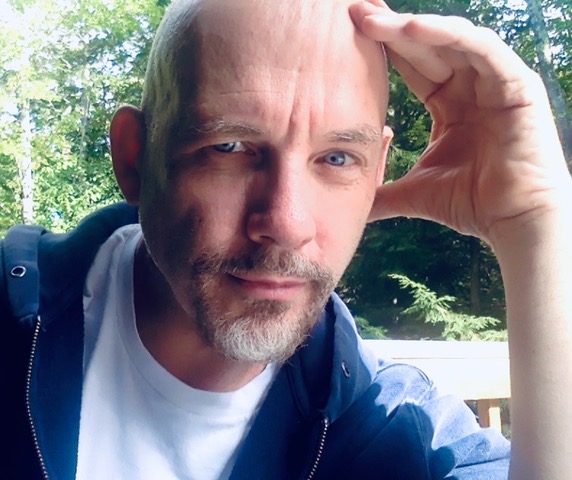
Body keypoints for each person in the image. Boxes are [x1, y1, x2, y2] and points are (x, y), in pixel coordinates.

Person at [1, 0, 571, 478]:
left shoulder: (403, 432)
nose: (287, 222)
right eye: (229, 148)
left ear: (377, 172)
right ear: (135, 157)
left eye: (338, 157)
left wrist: (537, 221)